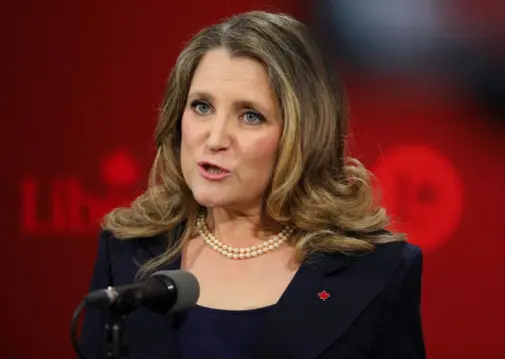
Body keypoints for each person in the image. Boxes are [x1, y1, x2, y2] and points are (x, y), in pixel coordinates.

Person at [79, 10, 426, 359]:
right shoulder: (128, 252)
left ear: (303, 135)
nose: (215, 138)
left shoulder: (376, 272)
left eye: (250, 116)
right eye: (201, 106)